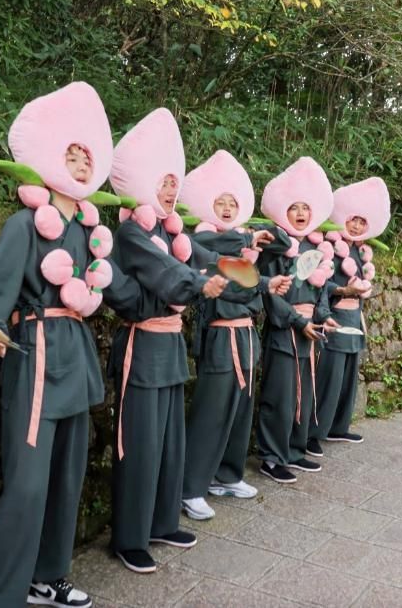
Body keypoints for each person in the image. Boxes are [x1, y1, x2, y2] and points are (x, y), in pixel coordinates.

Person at [0, 82, 129, 608]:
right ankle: (2, 597)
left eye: (87, 157)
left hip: (75, 356)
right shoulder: (24, 225)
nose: (80, 164)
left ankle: (48, 577)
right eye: (71, 155)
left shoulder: (89, 231)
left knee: (67, 478)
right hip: (35, 356)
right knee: (28, 485)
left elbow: (112, 288)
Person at [104, 110, 271, 573]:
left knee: (169, 442)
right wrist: (199, 283)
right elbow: (168, 272)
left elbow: (207, 260)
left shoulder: (171, 231)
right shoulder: (132, 232)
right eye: (162, 182)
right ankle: (129, 537)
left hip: (170, 347)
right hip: (142, 347)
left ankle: (161, 523)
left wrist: (256, 281)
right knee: (139, 445)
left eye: (174, 183)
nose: (169, 190)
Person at [177, 150, 291, 521]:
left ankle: (226, 475)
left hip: (246, 336)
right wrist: (245, 238)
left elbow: (283, 243)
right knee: (211, 412)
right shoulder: (201, 239)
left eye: (233, 203)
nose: (227, 209)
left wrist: (253, 237)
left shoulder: (243, 242)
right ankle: (190, 488)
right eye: (220, 202)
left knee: (241, 409)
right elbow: (216, 260)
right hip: (219, 337)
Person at [255, 157, 338, 484]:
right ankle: (271, 456)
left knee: (304, 391)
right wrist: (296, 320)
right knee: (280, 395)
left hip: (309, 330)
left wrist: (324, 316)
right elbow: (271, 294)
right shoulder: (275, 247)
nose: (301, 213)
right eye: (294, 207)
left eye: (306, 207)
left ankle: (293, 448)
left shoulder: (313, 245)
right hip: (284, 330)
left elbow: (319, 289)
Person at [309, 177, 389, 456]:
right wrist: (343, 290)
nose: (355, 226)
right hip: (335, 315)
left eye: (362, 222)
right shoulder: (330, 246)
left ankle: (338, 426)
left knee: (347, 377)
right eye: (352, 220)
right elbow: (320, 283)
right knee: (328, 378)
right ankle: (314, 432)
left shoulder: (361, 250)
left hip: (355, 317)